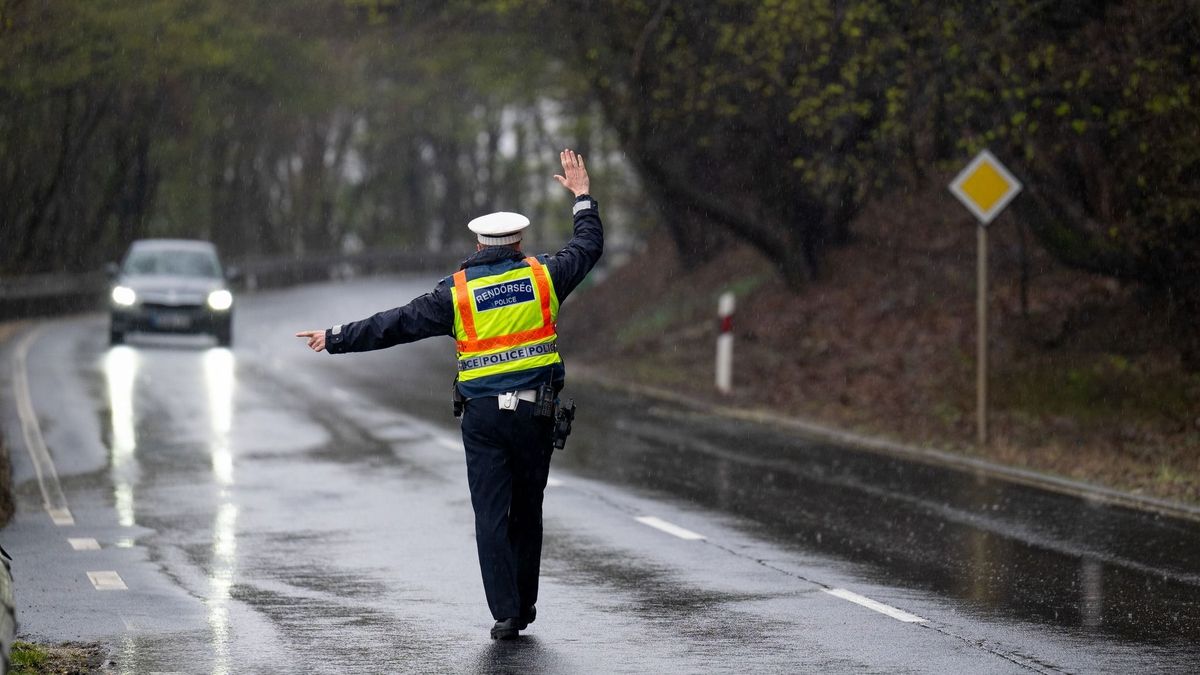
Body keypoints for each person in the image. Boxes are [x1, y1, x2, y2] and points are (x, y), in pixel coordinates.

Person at [295, 149, 601, 640]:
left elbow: (395, 324)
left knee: (490, 514)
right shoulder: (545, 276)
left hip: (483, 421)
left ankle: (506, 613)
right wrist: (582, 197)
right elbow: (587, 246)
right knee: (527, 512)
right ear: (519, 241)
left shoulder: (455, 294)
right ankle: (524, 604)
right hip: (535, 414)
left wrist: (335, 337)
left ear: (478, 243)